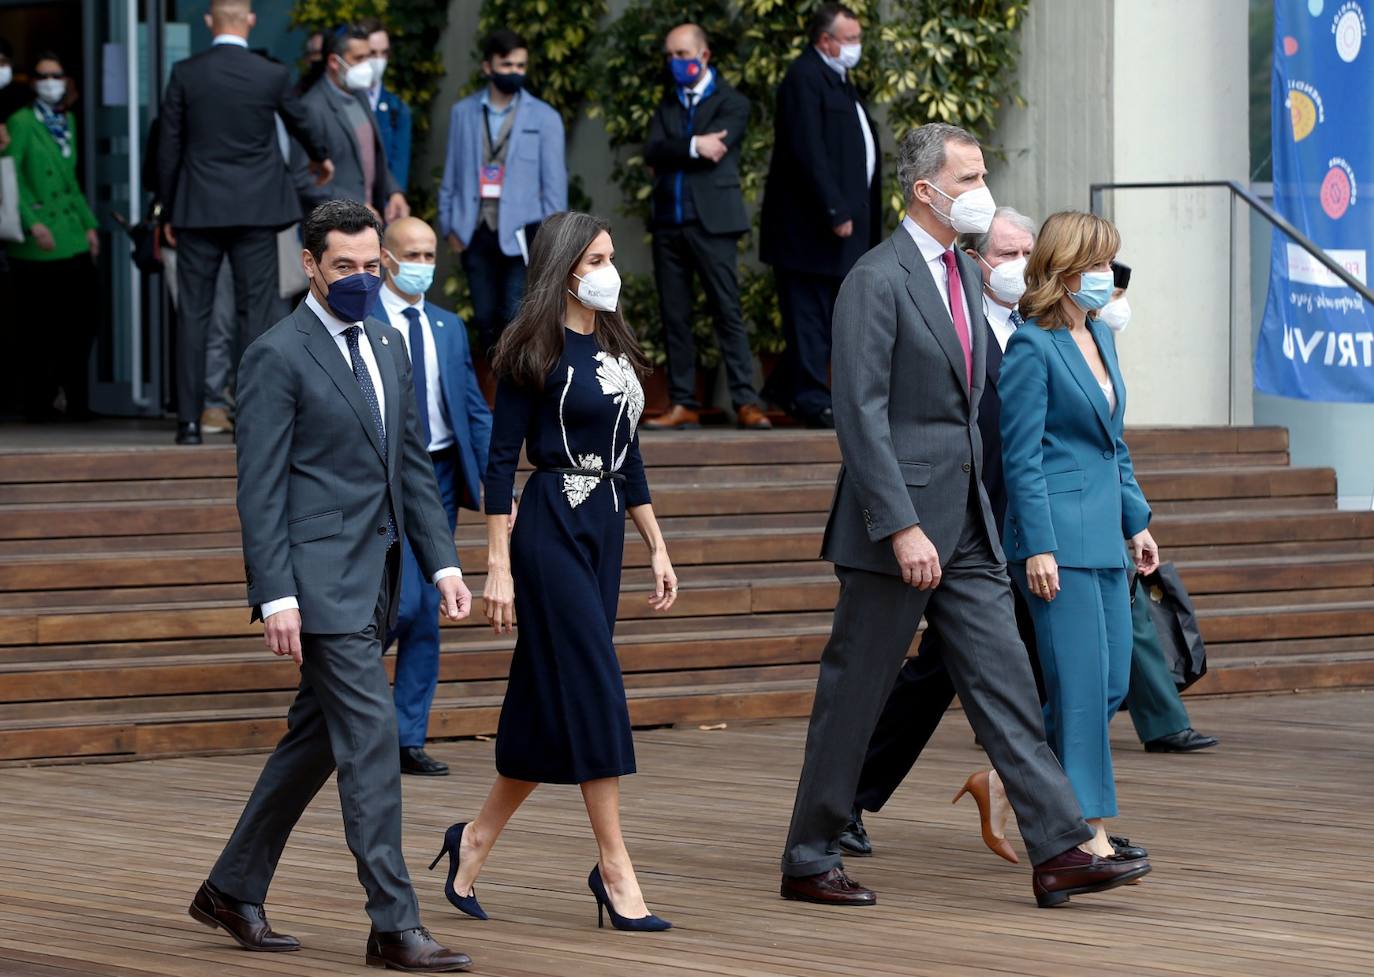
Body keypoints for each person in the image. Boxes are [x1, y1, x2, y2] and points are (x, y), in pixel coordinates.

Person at [777, 124, 1151, 910]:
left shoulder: (966, 275)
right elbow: (861, 412)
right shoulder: (876, 280)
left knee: (1007, 681)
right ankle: (811, 854)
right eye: (970, 176)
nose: (983, 187)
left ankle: (1058, 847)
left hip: (972, 522)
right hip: (899, 527)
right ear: (926, 191)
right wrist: (899, 522)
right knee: (857, 691)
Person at [188, 199, 474, 973]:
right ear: (310, 265)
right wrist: (275, 591)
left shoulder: (389, 339)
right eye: (342, 266)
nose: (361, 278)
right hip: (317, 587)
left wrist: (443, 561)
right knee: (373, 740)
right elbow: (260, 486)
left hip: (378, 576)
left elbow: (410, 464)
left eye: (370, 265)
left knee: (314, 740)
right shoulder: (277, 354)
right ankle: (393, 924)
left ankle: (230, 887)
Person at [429, 211, 676, 932]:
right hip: (547, 527)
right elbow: (500, 462)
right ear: (567, 266)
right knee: (597, 684)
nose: (610, 268)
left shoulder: (614, 342)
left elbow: (627, 455)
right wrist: (496, 564)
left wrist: (656, 542)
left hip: (603, 532)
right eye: (597, 257)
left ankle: (471, 840)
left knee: (547, 703)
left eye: (611, 255)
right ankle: (615, 865)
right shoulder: (530, 349)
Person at [839, 206, 1039, 860]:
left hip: (1021, 529)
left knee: (1054, 672)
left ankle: (1067, 821)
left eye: (1029, 253)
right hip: (954, 529)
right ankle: (847, 797)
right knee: (934, 675)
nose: (1021, 266)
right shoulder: (948, 320)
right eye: (1008, 253)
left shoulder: (1035, 330)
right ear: (979, 261)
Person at [999, 209, 1161, 860]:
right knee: (1082, 687)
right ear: (1064, 274)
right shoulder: (1031, 346)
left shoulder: (1102, 337)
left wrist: (1138, 519)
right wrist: (1037, 543)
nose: (1107, 277)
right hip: (1057, 541)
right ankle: (1085, 832)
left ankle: (1009, 781)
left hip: (1105, 535)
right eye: (1097, 265)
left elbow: (1112, 442)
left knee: (1111, 682)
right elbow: (1021, 456)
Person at [158, 0, 334, 445]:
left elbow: (168, 146)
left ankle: (189, 423)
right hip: (257, 211)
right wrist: (320, 157)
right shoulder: (269, 74)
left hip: (197, 210)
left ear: (208, 22)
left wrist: (166, 207)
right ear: (250, 21)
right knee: (256, 313)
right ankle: (255, 419)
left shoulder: (186, 73)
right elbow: (302, 122)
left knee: (194, 316)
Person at [376, 216, 492, 776]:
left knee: (428, 611)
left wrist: (497, 484)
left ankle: (407, 737)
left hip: (440, 475)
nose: (423, 264)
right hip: (382, 480)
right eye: (412, 254)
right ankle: (348, 716)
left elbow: (471, 405)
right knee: (398, 605)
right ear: (386, 258)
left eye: (430, 255)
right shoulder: (363, 318)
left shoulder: (447, 326)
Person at [641, 23, 770, 432]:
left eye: (682, 54)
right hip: (669, 222)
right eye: (670, 56)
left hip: (713, 224)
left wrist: (680, 149)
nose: (675, 62)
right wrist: (695, 145)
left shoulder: (732, 102)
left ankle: (747, 402)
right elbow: (653, 150)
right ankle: (683, 403)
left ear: (704, 55)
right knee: (675, 315)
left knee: (726, 311)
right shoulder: (667, 102)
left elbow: (718, 149)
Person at [759, 2, 881, 429]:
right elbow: (806, 149)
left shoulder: (838, 77)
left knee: (827, 315)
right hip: (810, 228)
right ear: (825, 40)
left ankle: (783, 388)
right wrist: (835, 208)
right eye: (849, 39)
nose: (855, 47)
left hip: (839, 227)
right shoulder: (804, 76)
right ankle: (811, 399)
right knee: (809, 315)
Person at [439, 29, 567, 353]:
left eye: (521, 66)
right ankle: (492, 391)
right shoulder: (463, 113)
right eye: (507, 65)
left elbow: (554, 185)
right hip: (474, 227)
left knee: (514, 315)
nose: (514, 72)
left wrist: (550, 239)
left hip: (525, 232)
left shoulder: (545, 117)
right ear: (488, 67)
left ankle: (511, 395)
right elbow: (451, 172)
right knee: (483, 317)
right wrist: (448, 224)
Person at [4, 51, 100, 423]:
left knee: (80, 322)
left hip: (70, 234)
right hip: (37, 240)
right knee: (38, 326)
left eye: (57, 74)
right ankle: (38, 402)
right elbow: (9, 178)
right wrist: (31, 222)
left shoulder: (67, 121)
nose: (50, 81)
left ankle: (75, 399)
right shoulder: (21, 122)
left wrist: (89, 224)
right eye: (43, 75)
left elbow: (70, 180)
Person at [291, 24, 409, 227]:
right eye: (359, 59)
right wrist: (355, 205)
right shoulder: (312, 108)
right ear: (334, 62)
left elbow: (371, 157)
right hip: (332, 229)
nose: (368, 66)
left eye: (368, 56)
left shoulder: (360, 95)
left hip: (369, 222)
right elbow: (303, 178)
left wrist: (394, 191)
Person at [359, 18, 412, 191]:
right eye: (373, 53)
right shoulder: (343, 100)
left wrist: (395, 195)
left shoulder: (397, 108)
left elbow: (399, 169)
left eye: (384, 53)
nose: (379, 60)